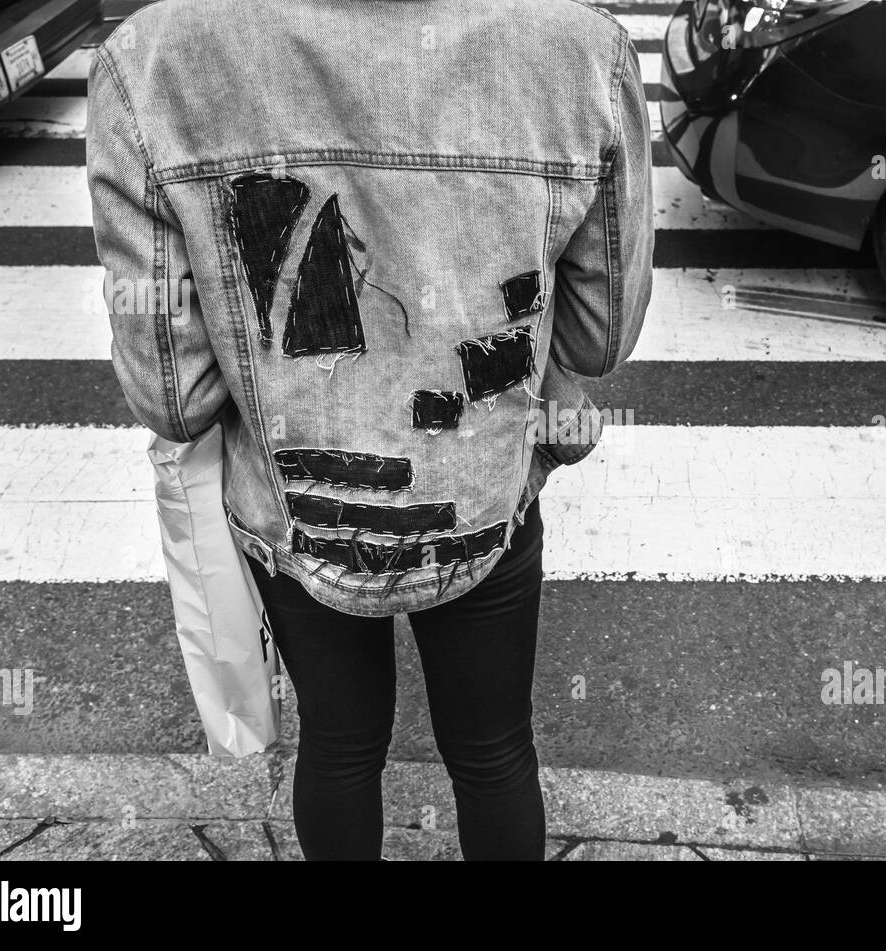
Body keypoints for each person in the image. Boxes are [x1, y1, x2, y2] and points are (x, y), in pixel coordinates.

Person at [86, 0, 654, 860]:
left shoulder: (155, 58)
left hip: (294, 507)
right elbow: (595, 335)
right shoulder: (578, 50)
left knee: (341, 744)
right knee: (495, 750)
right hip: (482, 496)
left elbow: (176, 395)